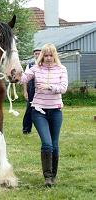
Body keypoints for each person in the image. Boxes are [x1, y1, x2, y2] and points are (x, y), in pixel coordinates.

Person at [20, 43, 68, 187]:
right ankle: (47, 177)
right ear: (41, 56)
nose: (48, 58)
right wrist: (14, 74)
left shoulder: (62, 69)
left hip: (56, 111)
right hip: (39, 111)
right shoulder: (35, 69)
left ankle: (53, 175)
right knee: (46, 143)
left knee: (54, 144)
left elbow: (63, 88)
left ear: (54, 56)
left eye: (50, 55)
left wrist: (49, 87)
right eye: (45, 55)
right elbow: (22, 79)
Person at [22, 48, 41, 134]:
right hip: (31, 90)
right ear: (34, 55)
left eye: (39, 53)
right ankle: (26, 129)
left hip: (42, 90)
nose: (37, 55)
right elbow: (25, 79)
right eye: (36, 54)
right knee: (29, 109)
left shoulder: (45, 64)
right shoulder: (30, 65)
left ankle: (42, 129)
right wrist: (25, 91)